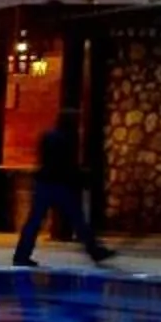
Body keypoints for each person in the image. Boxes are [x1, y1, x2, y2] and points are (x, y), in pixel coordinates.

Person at [13, 114, 114, 266]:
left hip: (44, 183)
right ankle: (94, 250)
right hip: (60, 184)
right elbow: (68, 165)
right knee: (77, 219)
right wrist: (81, 179)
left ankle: (21, 255)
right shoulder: (68, 139)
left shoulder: (47, 136)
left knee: (34, 221)